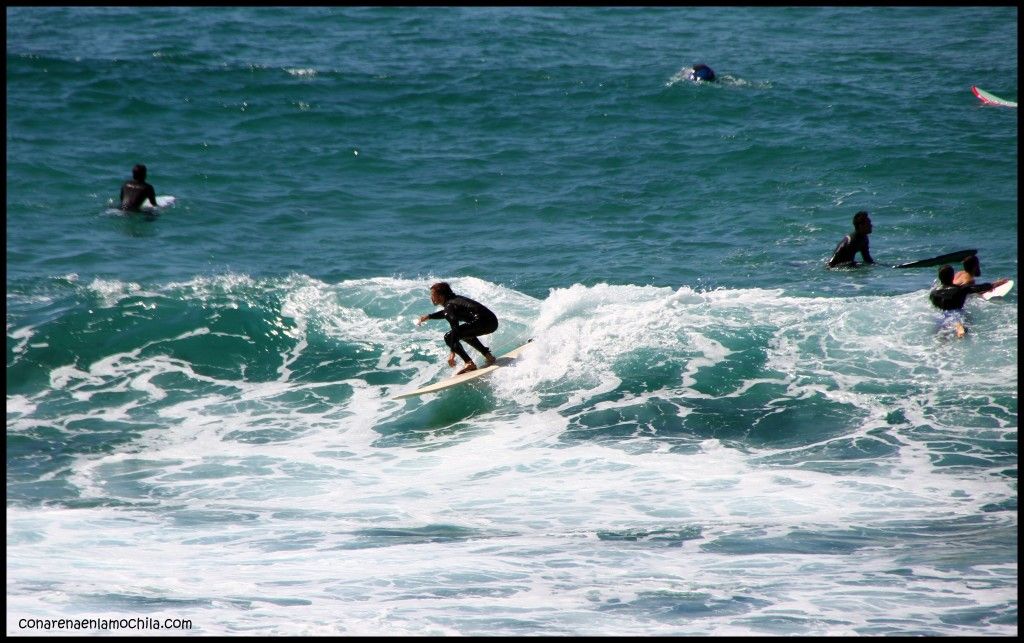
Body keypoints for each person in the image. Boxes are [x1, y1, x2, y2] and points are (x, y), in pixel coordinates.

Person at [417, 282, 498, 375]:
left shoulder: (449, 305)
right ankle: (488, 356)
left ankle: (469, 363)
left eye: (433, 295)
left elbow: (455, 327)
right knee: (465, 332)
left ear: (441, 296)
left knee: (449, 336)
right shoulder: (454, 300)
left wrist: (452, 352)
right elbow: (446, 313)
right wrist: (429, 316)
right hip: (492, 321)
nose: (431, 298)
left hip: (484, 323)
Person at [928, 264, 1008, 338]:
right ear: (952, 277)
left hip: (941, 316)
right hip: (957, 314)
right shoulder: (961, 289)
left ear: (940, 277)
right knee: (961, 327)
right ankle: (959, 330)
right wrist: (995, 284)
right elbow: (979, 288)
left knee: (941, 336)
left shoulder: (933, 293)